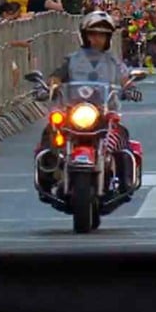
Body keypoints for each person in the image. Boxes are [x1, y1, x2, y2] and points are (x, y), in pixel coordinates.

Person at [37, 11, 142, 194]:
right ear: (85, 36)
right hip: (73, 110)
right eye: (93, 34)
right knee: (51, 130)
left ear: (108, 38)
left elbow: (125, 79)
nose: (97, 39)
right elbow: (56, 77)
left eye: (102, 35)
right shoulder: (72, 60)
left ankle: (125, 180)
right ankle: (47, 173)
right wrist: (48, 88)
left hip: (104, 112)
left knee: (121, 136)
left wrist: (130, 88)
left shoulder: (114, 62)